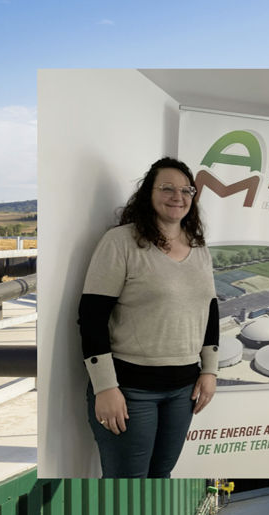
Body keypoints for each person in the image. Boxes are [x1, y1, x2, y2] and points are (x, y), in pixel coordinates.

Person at [79, 157, 219, 478]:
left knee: (160, 479)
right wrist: (105, 387)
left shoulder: (198, 247)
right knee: (127, 487)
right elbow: (91, 317)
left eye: (186, 190)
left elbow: (209, 310)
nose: (177, 196)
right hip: (130, 390)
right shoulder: (120, 242)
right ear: (148, 193)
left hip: (183, 390)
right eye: (167, 188)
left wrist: (209, 370)